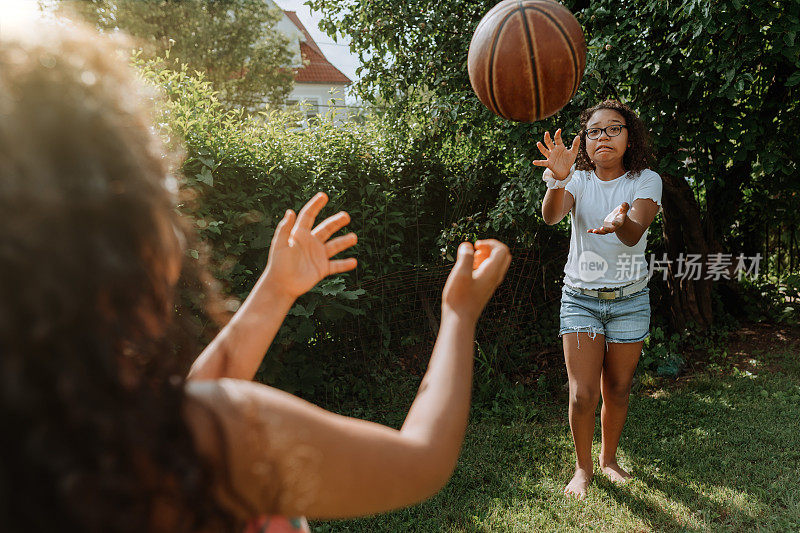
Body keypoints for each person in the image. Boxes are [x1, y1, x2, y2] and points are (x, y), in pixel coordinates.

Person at [0, 11, 512, 532]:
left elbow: (188, 403)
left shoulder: (50, 452)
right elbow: (420, 461)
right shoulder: (219, 440)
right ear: (126, 237)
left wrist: (276, 289)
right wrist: (458, 313)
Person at [534, 100, 662, 499]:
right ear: (585, 141)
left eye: (613, 129)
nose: (603, 137)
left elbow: (633, 232)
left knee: (618, 389)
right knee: (583, 393)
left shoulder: (645, 180)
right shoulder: (578, 180)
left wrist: (621, 219)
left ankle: (608, 460)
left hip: (629, 300)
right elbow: (552, 216)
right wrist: (558, 179)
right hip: (581, 301)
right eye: (594, 131)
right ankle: (583, 468)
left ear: (629, 137)